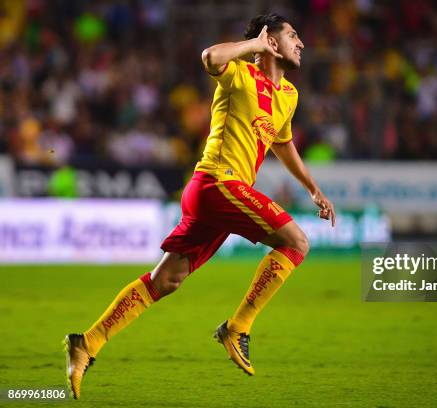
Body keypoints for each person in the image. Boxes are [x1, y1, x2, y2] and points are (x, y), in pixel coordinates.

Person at [64, 13, 335, 399]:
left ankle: (86, 343)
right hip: (217, 183)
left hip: (218, 197)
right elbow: (210, 57)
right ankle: (238, 328)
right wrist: (255, 46)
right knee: (297, 242)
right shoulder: (240, 74)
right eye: (293, 35)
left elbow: (282, 143)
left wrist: (312, 187)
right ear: (270, 41)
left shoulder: (289, 96)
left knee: (165, 281)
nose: (302, 43)